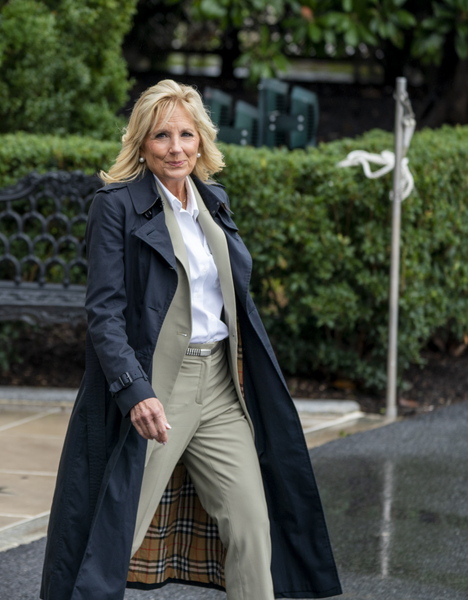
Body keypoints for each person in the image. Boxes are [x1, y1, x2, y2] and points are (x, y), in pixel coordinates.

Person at [40, 80, 341, 600]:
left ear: (201, 139)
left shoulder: (212, 200)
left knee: (251, 527)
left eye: (186, 134)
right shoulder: (116, 206)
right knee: (115, 533)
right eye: (161, 136)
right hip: (161, 387)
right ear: (141, 143)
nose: (175, 147)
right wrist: (135, 391)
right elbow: (104, 314)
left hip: (221, 386)